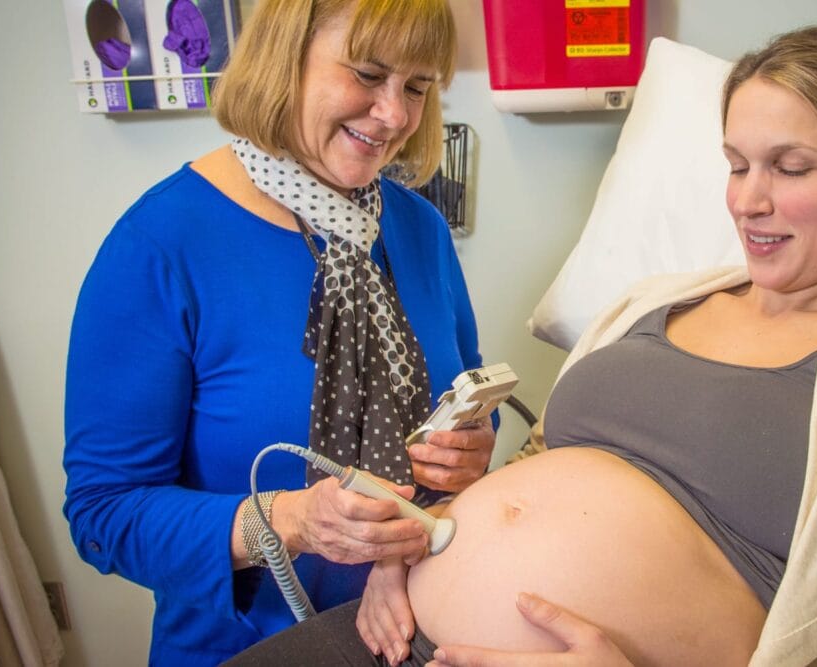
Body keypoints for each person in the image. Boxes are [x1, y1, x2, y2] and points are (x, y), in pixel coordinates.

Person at [228, 25, 817, 667]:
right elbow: (541, 475)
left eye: (791, 166)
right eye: (737, 165)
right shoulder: (650, 303)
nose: (750, 199)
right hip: (394, 633)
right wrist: (413, 543)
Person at [61, 1, 496, 665]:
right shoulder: (161, 246)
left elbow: (457, 403)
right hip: (246, 646)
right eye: (368, 74)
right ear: (284, 59)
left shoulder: (418, 230)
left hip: (418, 633)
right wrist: (287, 520)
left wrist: (467, 455)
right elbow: (102, 515)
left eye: (417, 87)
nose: (396, 115)